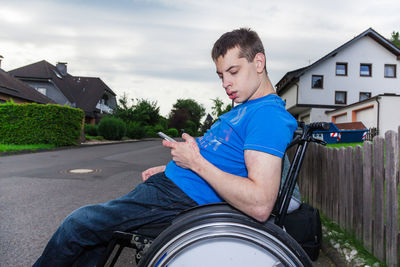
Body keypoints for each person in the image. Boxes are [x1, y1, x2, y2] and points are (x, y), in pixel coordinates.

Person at [33, 28, 297, 267]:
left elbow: (260, 203)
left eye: (233, 72)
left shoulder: (267, 115)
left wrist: (194, 163)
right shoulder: (245, 109)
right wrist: (172, 165)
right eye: (220, 75)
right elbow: (221, 158)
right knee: (94, 236)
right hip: (171, 189)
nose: (225, 83)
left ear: (258, 62)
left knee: (78, 225)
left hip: (180, 202)